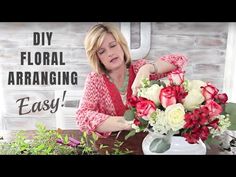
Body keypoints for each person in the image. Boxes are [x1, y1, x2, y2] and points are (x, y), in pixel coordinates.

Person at [76, 23, 188, 138]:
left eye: (113, 45)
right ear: (97, 58)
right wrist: (126, 123)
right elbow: (82, 117)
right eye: (102, 51)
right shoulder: (95, 80)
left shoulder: (139, 68)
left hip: (146, 141)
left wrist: (148, 68)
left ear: (121, 45)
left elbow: (179, 60)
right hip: (112, 145)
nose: (110, 53)